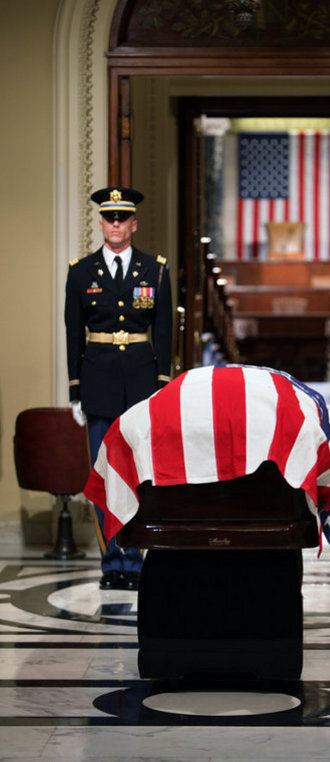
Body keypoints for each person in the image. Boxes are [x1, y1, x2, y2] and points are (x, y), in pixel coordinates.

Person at [65, 186, 173, 590]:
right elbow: (73, 331)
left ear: (133, 224)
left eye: (122, 218)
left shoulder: (155, 269)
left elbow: (163, 332)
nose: (115, 224)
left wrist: (162, 384)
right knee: (104, 474)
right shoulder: (80, 271)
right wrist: (75, 389)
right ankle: (112, 561)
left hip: (143, 385)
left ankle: (136, 555)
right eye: (108, 218)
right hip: (98, 382)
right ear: (100, 224)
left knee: (141, 475)